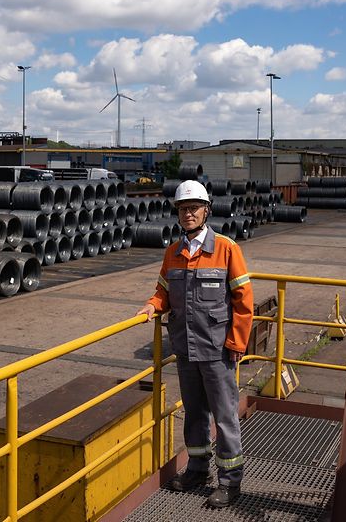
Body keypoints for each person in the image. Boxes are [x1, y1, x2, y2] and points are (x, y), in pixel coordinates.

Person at [136, 179, 254, 508]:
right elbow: (163, 292)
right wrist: (152, 306)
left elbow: (244, 302)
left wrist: (236, 342)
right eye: (182, 209)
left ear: (206, 211)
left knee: (225, 416)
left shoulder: (228, 249)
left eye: (193, 208)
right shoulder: (173, 253)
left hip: (218, 350)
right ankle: (198, 470)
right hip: (185, 347)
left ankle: (230, 481)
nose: (188, 214)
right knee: (194, 413)